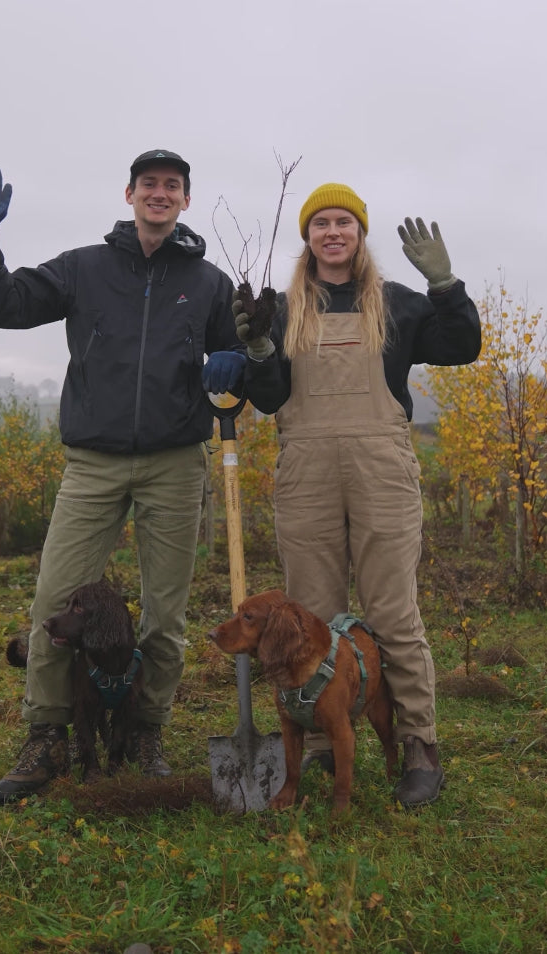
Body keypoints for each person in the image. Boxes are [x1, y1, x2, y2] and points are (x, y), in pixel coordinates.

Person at [0, 151, 245, 799]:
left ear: (185, 201)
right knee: (53, 603)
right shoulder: (84, 268)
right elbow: (3, 306)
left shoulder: (207, 283)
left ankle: (145, 730)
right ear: (129, 194)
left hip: (176, 460)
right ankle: (47, 735)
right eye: (150, 184)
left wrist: (233, 361)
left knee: (165, 616)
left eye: (173, 186)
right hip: (93, 460)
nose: (160, 193)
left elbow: (236, 360)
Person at [227, 182, 481, 807]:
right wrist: (259, 346)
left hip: (380, 467)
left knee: (393, 611)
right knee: (310, 615)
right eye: (321, 224)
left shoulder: (396, 304)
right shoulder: (283, 309)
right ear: (307, 237)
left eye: (344, 222)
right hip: (306, 467)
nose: (333, 233)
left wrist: (445, 286)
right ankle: (317, 746)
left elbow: (463, 347)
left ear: (360, 235)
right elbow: (268, 398)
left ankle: (419, 744)